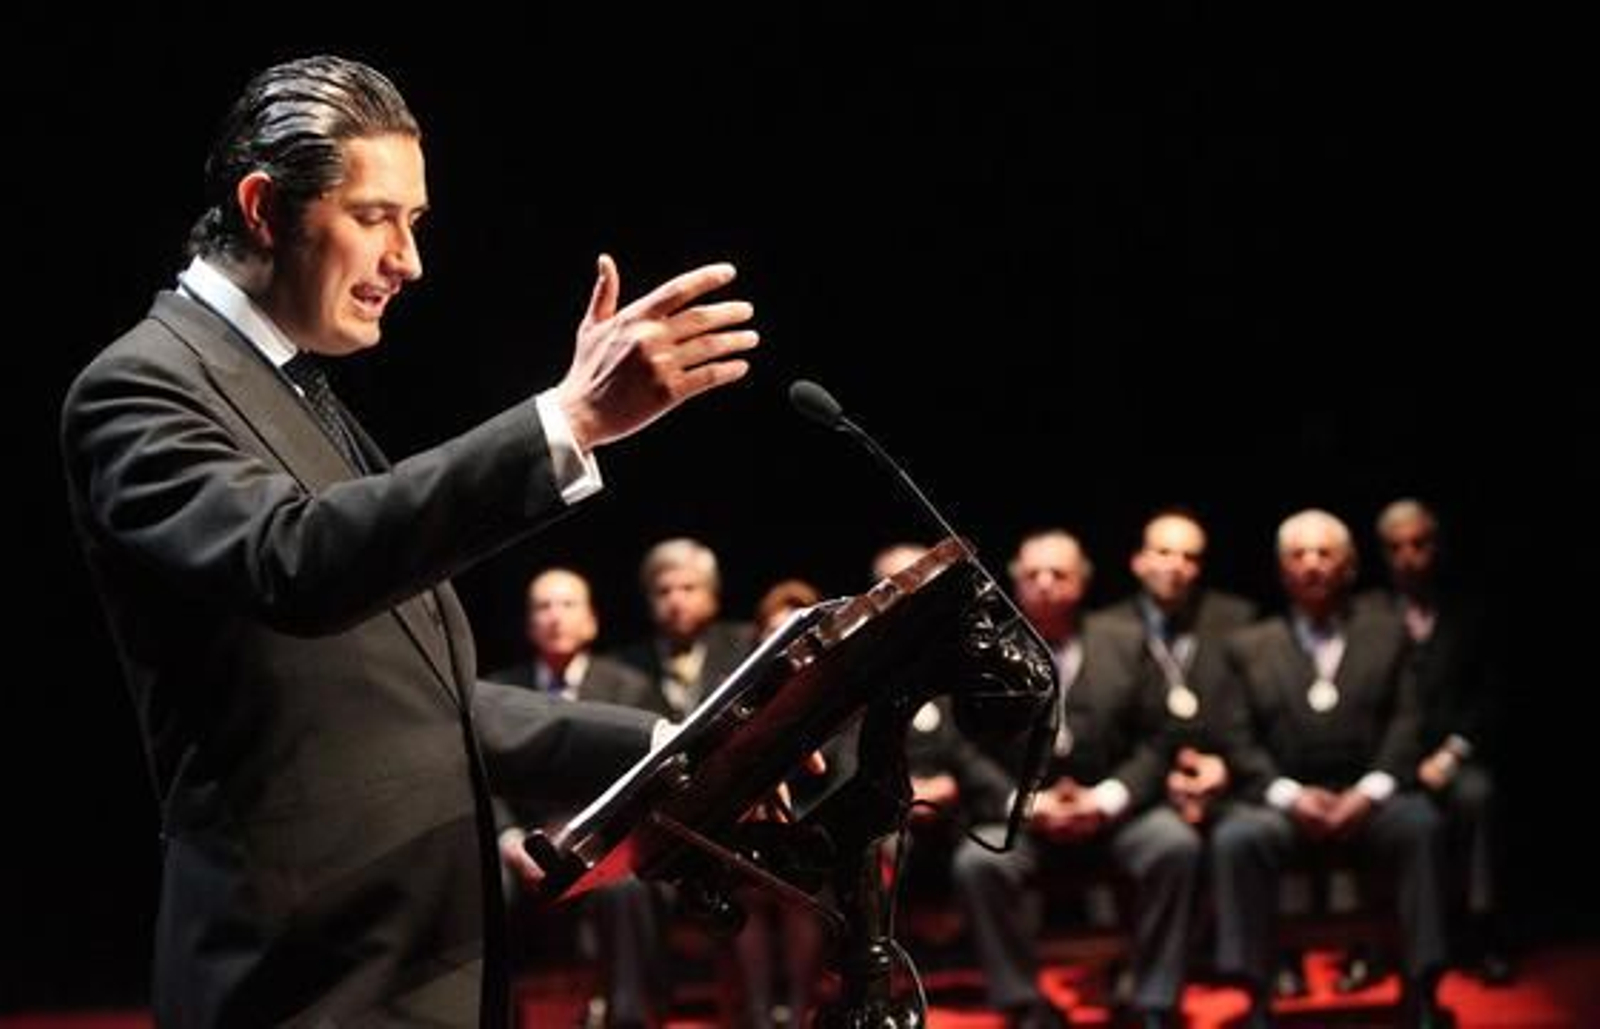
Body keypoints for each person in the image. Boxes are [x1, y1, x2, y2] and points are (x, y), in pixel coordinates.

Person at [59, 55, 758, 1028]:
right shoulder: (139, 387)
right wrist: (566, 422)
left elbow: (408, 700)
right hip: (304, 983)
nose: (409, 261)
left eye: (415, 223)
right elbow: (292, 560)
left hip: (415, 962)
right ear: (264, 207)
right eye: (375, 217)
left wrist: (670, 744)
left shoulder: (302, 389)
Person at [951, 530, 1200, 1029]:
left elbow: (1159, 737)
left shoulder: (1126, 641)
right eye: (1033, 575)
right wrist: (1028, 804)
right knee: (979, 862)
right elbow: (962, 746)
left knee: (1174, 845)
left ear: (1082, 583)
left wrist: (1109, 798)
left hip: (1113, 814)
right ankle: (1023, 1005)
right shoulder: (985, 652)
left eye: (1058, 574)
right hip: (1023, 818)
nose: (1045, 584)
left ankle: (1154, 999)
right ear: (1014, 583)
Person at [1214, 509, 1449, 1028]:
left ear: (1349, 566)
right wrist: (1288, 795)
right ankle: (1256, 991)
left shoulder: (1389, 634)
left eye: (1325, 553)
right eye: (1299, 555)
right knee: (1237, 838)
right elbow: (1236, 737)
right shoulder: (1250, 645)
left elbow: (1409, 723)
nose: (1312, 565)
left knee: (1422, 825)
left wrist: (1370, 792)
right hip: (1285, 801)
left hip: (1369, 798)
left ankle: (1424, 987)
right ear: (1281, 570)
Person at [485, 568, 668, 1028]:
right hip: (523, 848)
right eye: (543, 606)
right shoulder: (500, 691)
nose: (555, 616)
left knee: (626, 885)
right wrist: (509, 840)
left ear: (591, 620)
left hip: (607, 843)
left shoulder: (631, 688)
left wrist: (599, 841)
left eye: (567, 605)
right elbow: (481, 781)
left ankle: (629, 1017)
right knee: (482, 883)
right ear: (528, 624)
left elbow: (652, 783)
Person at [1366, 498, 1512, 984]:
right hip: (1387, 757)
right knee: (1371, 806)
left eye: (1420, 544)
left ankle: (1481, 930)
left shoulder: (1471, 609)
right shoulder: (1366, 614)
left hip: (1450, 752)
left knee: (1477, 795)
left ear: (1438, 546)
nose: (1410, 557)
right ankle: (1374, 941)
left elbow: (1492, 691)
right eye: (1397, 547)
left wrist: (1453, 751)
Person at [616, 537, 756, 719]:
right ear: (648, 601)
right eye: (663, 591)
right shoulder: (625, 665)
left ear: (712, 595)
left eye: (688, 588)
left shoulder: (747, 642)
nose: (675, 601)